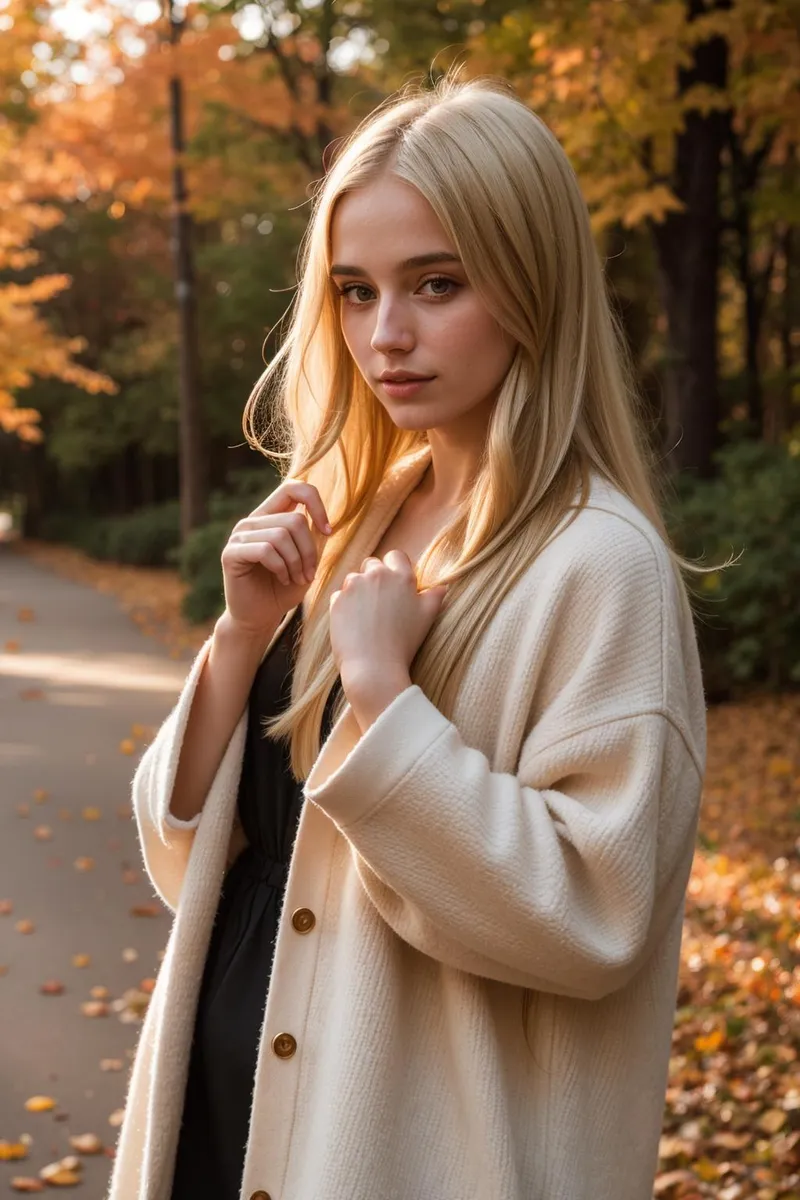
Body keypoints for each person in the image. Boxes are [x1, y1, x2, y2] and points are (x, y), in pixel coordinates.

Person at [108, 67, 707, 1200]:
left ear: (530, 285)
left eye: (435, 283)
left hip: (402, 1160)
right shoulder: (351, 516)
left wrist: (388, 701)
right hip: (219, 1134)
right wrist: (243, 642)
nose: (386, 335)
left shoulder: (597, 564)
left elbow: (594, 920)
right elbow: (190, 861)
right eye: (353, 290)